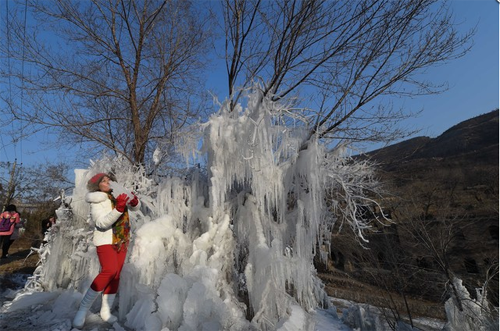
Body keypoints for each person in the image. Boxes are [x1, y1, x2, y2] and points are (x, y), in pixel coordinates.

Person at [72, 173, 140, 329]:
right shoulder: (98, 200)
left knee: (116, 275)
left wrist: (135, 202)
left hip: (122, 239)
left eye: (108, 179)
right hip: (105, 240)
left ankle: (106, 311)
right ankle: (82, 310)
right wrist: (119, 208)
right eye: (103, 180)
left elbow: (134, 207)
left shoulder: (116, 195)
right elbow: (101, 223)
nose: (107, 181)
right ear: (98, 185)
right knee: (109, 271)